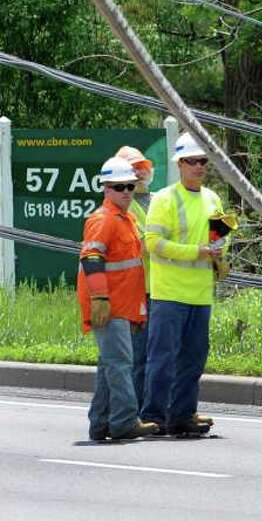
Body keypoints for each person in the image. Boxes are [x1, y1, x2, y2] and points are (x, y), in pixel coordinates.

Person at [140, 132, 228, 436]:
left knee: (193, 359)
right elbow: (153, 243)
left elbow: (222, 238)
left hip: (201, 294)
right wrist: (197, 252)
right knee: (162, 359)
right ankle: (153, 415)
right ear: (180, 164)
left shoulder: (214, 199)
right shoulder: (164, 199)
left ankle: (182, 414)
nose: (199, 166)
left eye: (203, 161)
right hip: (169, 293)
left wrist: (220, 257)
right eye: (192, 161)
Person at [77, 156, 159, 441]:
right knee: (121, 363)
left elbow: (132, 268)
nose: (126, 192)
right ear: (106, 189)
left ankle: (100, 424)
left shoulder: (129, 219)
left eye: (129, 186)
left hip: (124, 306)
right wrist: (99, 298)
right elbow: (91, 257)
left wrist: (138, 312)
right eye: (119, 187)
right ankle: (124, 422)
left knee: (110, 364)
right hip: (108, 307)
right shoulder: (102, 220)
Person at [114, 144, 155, 407]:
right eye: (133, 169)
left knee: (151, 355)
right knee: (135, 356)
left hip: (158, 290)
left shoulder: (157, 201)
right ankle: (130, 411)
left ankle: (143, 408)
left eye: (142, 167)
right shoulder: (123, 206)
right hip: (133, 293)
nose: (140, 173)